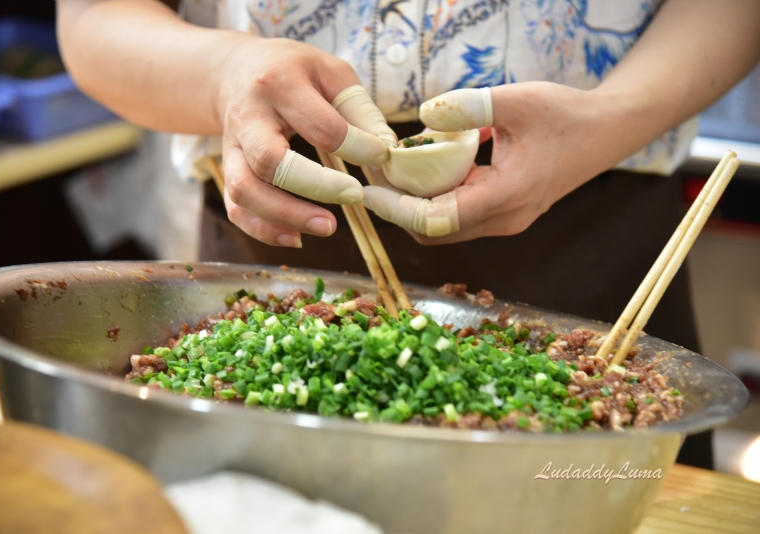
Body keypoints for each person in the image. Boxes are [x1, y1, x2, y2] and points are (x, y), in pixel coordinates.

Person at [57, 0, 760, 468]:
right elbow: (93, 17)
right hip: (281, 229)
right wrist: (224, 74)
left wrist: (610, 116)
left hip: (593, 224)